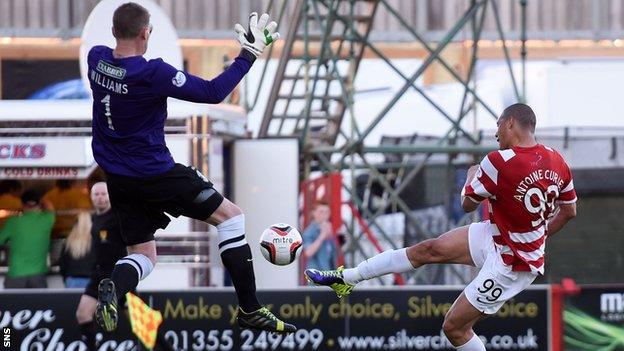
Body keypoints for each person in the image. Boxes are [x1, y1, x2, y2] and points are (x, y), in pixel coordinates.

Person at [87, 2, 294, 333]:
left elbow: (116, 72)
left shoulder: (95, 59)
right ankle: (250, 308)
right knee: (232, 217)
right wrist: (248, 54)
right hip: (156, 174)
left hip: (119, 180)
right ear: (145, 33)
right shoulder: (153, 73)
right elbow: (213, 92)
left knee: (143, 255)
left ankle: (114, 286)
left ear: (113, 32)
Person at [305, 103, 578, 351]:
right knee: (428, 249)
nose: (496, 135)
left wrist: (472, 176)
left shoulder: (498, 162)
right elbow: (569, 211)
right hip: (498, 238)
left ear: (509, 123)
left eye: (497, 126)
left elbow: (467, 204)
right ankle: (347, 279)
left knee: (455, 328)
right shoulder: (558, 161)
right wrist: (537, 237)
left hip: (511, 264)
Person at [76, 182, 173, 351]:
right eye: (96, 194)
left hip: (117, 276)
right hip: (98, 274)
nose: (100, 198)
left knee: (141, 322)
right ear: (91, 197)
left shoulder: (117, 216)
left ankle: (167, 348)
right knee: (83, 314)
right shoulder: (94, 218)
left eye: (103, 194)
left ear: (109, 196)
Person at [0, 189, 55, 288]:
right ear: (39, 204)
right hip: (38, 275)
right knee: (39, 303)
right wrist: (41, 198)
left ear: (22, 204)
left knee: (12, 303)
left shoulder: (13, 222)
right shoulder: (47, 220)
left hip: (16, 273)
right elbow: (50, 207)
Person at [59, 212, 96, 288]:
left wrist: (66, 278)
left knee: (72, 300)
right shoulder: (96, 241)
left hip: (72, 280)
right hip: (91, 280)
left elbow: (62, 264)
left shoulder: (69, 242)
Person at [302, 202, 337, 272]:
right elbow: (308, 252)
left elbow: (334, 254)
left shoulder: (330, 229)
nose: (324, 215)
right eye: (321, 212)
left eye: (327, 212)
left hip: (329, 273)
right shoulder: (309, 232)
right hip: (316, 275)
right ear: (314, 213)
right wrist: (322, 236)